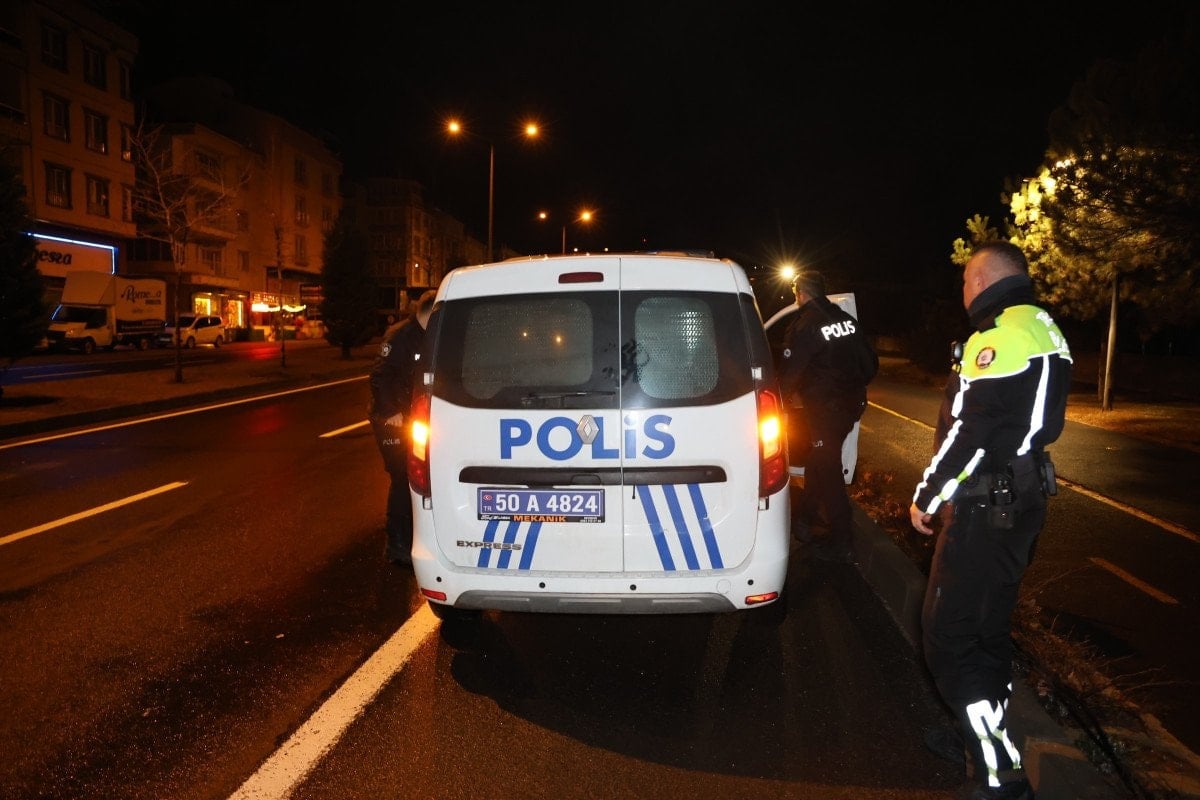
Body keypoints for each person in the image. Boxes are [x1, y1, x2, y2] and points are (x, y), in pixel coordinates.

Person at [909, 241, 1073, 800]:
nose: (963, 292)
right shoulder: (1042, 325)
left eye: (964, 281)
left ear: (979, 280)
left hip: (986, 508)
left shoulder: (998, 334)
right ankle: (978, 734)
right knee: (986, 630)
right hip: (1021, 500)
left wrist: (928, 495)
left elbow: (974, 433)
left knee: (951, 639)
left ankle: (999, 773)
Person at [777, 270, 878, 563]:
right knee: (819, 460)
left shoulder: (805, 326)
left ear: (800, 293)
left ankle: (843, 541)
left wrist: (777, 402)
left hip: (825, 411)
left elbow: (790, 374)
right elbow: (870, 364)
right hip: (852, 405)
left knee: (829, 469)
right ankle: (805, 518)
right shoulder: (846, 320)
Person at [368, 290, 437, 566]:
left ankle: (412, 536)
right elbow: (379, 376)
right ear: (428, 312)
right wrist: (390, 411)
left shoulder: (427, 335)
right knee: (401, 477)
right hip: (391, 421)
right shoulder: (399, 336)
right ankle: (396, 544)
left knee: (417, 477)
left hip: (412, 418)